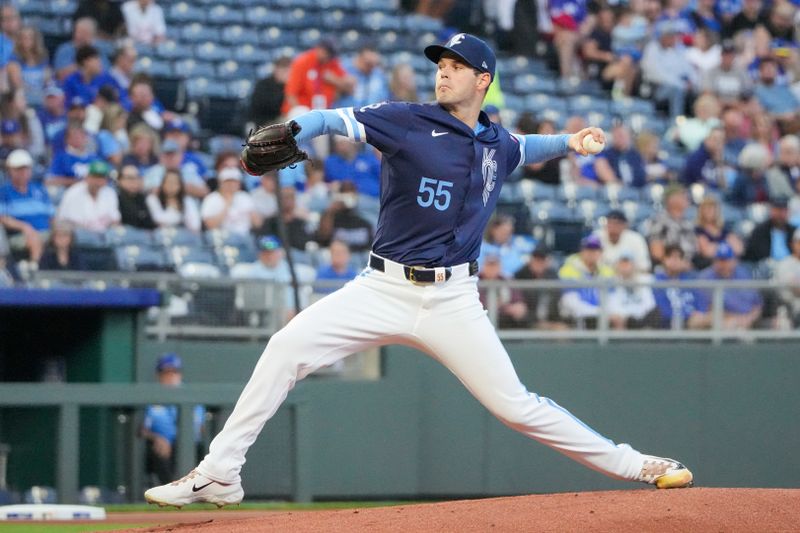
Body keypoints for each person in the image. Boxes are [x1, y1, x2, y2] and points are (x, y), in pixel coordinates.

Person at [144, 33, 692, 508]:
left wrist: (570, 144)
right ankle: (219, 472)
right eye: (439, 66)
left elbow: (524, 147)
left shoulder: (494, 141)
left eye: (454, 68)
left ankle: (634, 465)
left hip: (454, 299)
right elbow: (337, 118)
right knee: (285, 349)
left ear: (483, 80)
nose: (442, 74)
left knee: (516, 406)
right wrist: (297, 127)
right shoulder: (408, 121)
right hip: (381, 287)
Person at [141, 353, 206, 485]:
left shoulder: (192, 396)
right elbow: (143, 430)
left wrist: (185, 443)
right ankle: (171, 489)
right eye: (166, 373)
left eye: (174, 372)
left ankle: (191, 489)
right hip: (162, 446)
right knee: (158, 450)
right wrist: (157, 439)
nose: (170, 377)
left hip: (189, 445)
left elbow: (201, 428)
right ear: (159, 375)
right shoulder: (151, 398)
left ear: (179, 374)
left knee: (196, 449)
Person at [229, 234, 316, 321]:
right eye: (265, 252)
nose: (269, 256)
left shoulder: (291, 270)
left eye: (272, 252)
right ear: (259, 254)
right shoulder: (253, 271)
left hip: (289, 314)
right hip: (261, 314)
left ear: (280, 252)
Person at [694, 242, 763, 329]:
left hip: (749, 320)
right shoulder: (705, 278)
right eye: (720, 260)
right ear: (714, 261)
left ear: (734, 260)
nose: (723, 264)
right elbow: (708, 310)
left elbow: (757, 304)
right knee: (729, 325)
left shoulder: (744, 274)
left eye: (726, 260)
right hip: (722, 322)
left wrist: (749, 318)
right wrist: (737, 319)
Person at [0, 149, 53, 262]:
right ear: (10, 170)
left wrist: (56, 230)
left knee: (65, 234)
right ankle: (35, 270)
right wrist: (24, 227)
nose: (23, 172)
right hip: (19, 235)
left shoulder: (40, 189)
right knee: (34, 237)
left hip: (46, 231)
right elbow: (2, 217)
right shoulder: (4, 191)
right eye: (18, 169)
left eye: (25, 168)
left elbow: (51, 215)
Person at [281, 38, 355, 116]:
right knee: (301, 112)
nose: (328, 56)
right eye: (326, 52)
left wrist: (335, 80)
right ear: (319, 48)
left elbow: (350, 87)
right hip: (302, 111)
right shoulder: (303, 62)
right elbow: (291, 94)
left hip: (323, 112)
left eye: (330, 54)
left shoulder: (332, 62)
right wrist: (300, 115)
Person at [558, 234, 616, 327]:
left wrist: (605, 312)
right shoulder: (568, 269)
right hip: (575, 318)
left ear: (601, 253)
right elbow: (570, 302)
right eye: (588, 249)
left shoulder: (607, 271)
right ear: (581, 251)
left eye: (595, 249)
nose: (592, 253)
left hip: (601, 317)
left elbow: (612, 298)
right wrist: (599, 312)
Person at [56, 160, 121, 233]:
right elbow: (66, 222)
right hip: (79, 236)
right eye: (95, 177)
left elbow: (115, 221)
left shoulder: (110, 193)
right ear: (87, 177)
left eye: (102, 177)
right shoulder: (73, 193)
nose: (98, 181)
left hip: (105, 237)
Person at [512, 245, 568, 330]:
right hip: (527, 321)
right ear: (531, 260)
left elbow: (556, 300)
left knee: (563, 329)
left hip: (550, 318)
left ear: (547, 261)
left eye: (541, 260)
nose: (538, 262)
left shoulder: (552, 275)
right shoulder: (520, 275)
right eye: (536, 259)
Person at [652, 244, 703, 329]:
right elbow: (661, 310)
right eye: (670, 257)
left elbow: (700, 303)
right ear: (664, 259)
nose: (674, 261)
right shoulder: (657, 281)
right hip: (669, 323)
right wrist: (686, 316)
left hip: (693, 322)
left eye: (678, 257)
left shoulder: (690, 279)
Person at [200, 167, 260, 236]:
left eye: (234, 181)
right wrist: (227, 205)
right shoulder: (212, 199)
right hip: (221, 238)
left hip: (245, 237)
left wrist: (252, 212)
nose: (231, 184)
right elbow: (210, 225)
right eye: (228, 181)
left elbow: (257, 224)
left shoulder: (245, 197)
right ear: (220, 182)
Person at [646, 184, 697, 266]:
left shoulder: (688, 223)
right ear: (671, 199)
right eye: (682, 197)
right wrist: (672, 264)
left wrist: (686, 264)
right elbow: (656, 251)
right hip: (667, 268)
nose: (687, 200)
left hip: (689, 266)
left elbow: (694, 248)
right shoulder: (659, 220)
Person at [478, 253, 529, 329]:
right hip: (482, 320)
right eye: (489, 265)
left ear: (500, 267)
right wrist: (501, 307)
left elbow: (519, 304)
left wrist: (513, 307)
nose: (492, 269)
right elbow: (480, 305)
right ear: (483, 266)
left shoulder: (506, 280)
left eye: (494, 265)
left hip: (505, 321)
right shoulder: (476, 281)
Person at [607, 254, 659, 329]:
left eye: (627, 263)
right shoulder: (612, 283)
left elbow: (651, 305)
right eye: (622, 263)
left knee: (656, 313)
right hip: (625, 321)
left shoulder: (646, 279)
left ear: (634, 265)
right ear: (617, 266)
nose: (625, 266)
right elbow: (611, 307)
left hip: (643, 319)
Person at [6, 26, 51, 110]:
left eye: (30, 37)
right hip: (24, 96)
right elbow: (17, 84)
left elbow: (47, 80)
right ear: (19, 40)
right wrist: (35, 92)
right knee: (20, 94)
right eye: (23, 37)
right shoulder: (14, 59)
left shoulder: (43, 58)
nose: (26, 40)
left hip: (41, 94)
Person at [693, 195, 743, 269]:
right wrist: (726, 245)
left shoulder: (725, 229)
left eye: (711, 208)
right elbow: (707, 252)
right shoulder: (698, 230)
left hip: (729, 264)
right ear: (701, 211)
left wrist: (714, 246)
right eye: (706, 208)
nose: (709, 211)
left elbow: (739, 249)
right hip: (708, 265)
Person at [743, 197, 797, 262]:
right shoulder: (760, 231)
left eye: (784, 210)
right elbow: (753, 255)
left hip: (791, 267)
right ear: (771, 211)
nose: (780, 214)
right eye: (777, 210)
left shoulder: (794, 231)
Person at [592, 123, 647, 188]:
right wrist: (618, 184)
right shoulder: (606, 154)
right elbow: (601, 168)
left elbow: (643, 174)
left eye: (623, 136)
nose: (620, 139)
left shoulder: (635, 155)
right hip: (617, 189)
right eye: (617, 136)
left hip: (638, 189)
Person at [250, 57, 291, 127]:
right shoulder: (263, 85)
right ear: (276, 70)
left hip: (284, 119)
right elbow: (267, 107)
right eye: (283, 71)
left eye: (288, 71)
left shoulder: (292, 85)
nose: (286, 74)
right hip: (266, 122)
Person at [773, 228, 800, 327]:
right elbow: (796, 288)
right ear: (793, 244)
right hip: (788, 307)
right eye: (799, 242)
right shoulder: (785, 263)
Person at [117, 164, 156, 229]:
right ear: (120, 180)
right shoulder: (114, 199)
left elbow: (150, 224)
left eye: (137, 177)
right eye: (130, 178)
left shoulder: (144, 198)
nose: (134, 181)